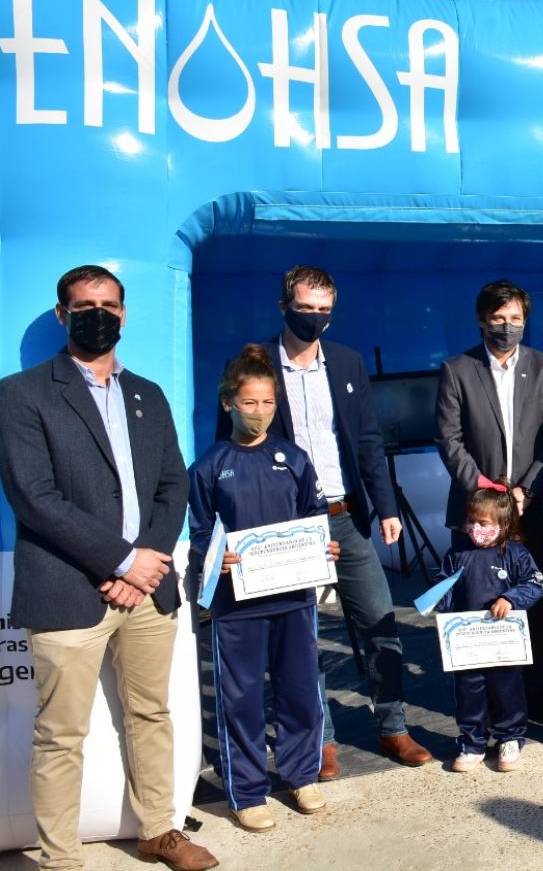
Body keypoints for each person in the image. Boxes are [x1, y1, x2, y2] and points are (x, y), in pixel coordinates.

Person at [0, 265, 217, 870]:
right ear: (64, 314)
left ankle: (160, 830)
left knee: (150, 714)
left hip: (149, 591)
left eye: (108, 303)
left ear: (124, 314)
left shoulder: (147, 393)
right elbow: (34, 496)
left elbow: (173, 485)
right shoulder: (20, 395)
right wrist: (121, 561)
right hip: (68, 587)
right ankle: (62, 858)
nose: (98, 313)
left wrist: (144, 563)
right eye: (84, 304)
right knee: (61, 735)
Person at [243, 265, 431, 775]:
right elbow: (239, 444)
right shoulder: (256, 362)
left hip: (345, 515)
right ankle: (319, 738)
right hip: (287, 525)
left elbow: (367, 440)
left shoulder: (346, 363)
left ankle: (393, 727)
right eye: (305, 309)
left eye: (324, 310)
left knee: (379, 621)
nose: (315, 318)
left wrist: (387, 507)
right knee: (301, 635)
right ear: (284, 307)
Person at [189, 345, 339, 831]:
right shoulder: (210, 466)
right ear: (228, 403)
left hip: (293, 599)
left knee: (300, 691)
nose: (259, 412)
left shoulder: (292, 458)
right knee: (242, 698)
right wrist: (217, 560)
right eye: (250, 403)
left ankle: (302, 774)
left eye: (268, 403)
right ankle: (248, 791)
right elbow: (197, 533)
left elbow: (315, 517)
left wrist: (324, 549)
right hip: (238, 606)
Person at [436, 280, 543, 727]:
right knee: (478, 603)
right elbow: (449, 439)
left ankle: (537, 696)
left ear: (525, 321)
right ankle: (484, 705)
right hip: (478, 512)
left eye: (515, 319)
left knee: (535, 600)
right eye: (498, 318)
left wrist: (526, 489)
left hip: (531, 508)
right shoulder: (457, 370)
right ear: (481, 320)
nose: (506, 326)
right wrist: (485, 492)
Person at [433, 485, 543, 774]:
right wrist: (438, 600)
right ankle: (472, 743)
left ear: (503, 525)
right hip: (468, 643)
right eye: (471, 522)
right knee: (469, 691)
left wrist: (511, 598)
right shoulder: (456, 553)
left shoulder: (516, 553)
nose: (475, 529)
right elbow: (444, 587)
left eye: (483, 524)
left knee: (507, 689)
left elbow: (536, 584)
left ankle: (510, 738)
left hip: (503, 642)